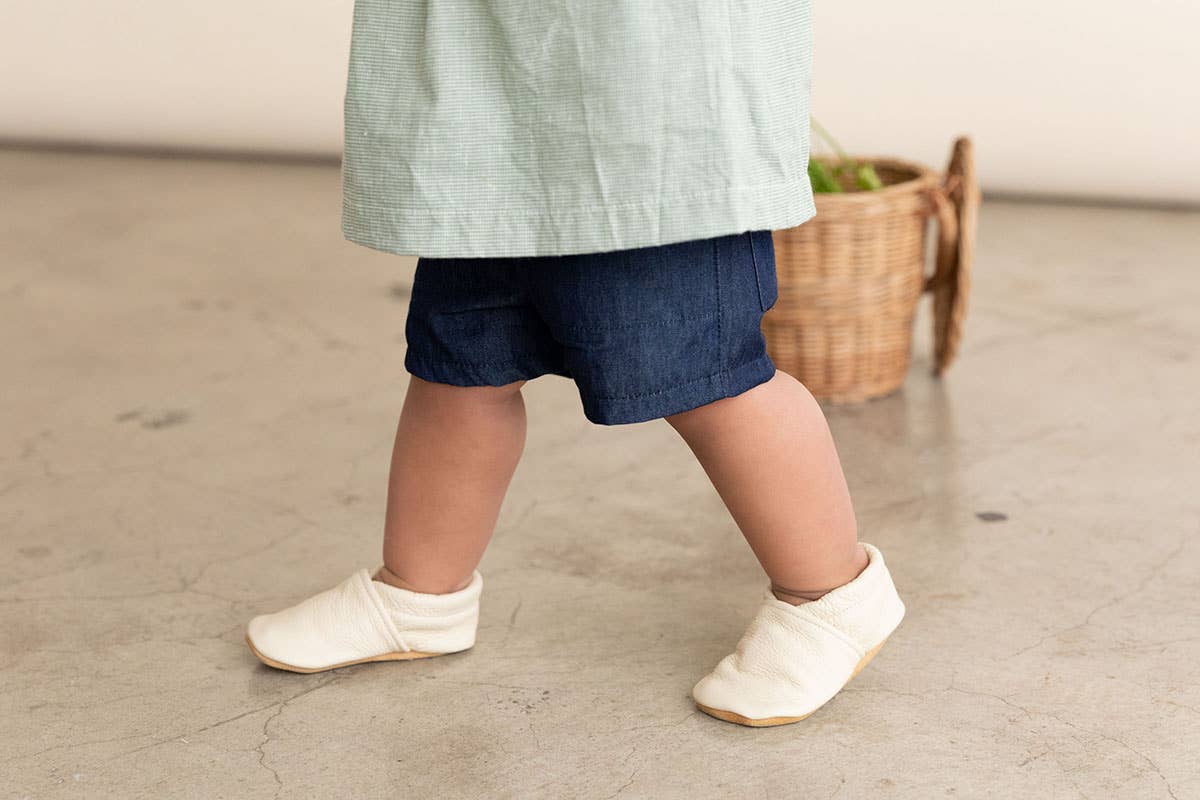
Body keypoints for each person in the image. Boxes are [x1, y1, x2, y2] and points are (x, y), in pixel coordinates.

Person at [245, 1, 904, 727]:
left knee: (707, 373)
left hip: (648, 108)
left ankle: (830, 593)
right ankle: (418, 592)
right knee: (460, 364)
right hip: (483, 108)